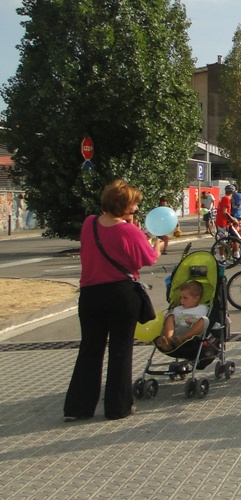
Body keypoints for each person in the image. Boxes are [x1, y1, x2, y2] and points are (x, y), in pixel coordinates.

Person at [64, 179, 166, 421]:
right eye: (134, 204)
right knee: (120, 350)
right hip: (121, 294)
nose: (137, 209)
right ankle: (118, 407)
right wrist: (158, 245)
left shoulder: (89, 224)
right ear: (124, 205)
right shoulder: (129, 231)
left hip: (90, 295)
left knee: (90, 349)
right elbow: (147, 258)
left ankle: (78, 408)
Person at [155, 281, 208, 352]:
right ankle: (168, 339)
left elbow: (206, 323)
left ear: (196, 298)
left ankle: (182, 338)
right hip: (177, 331)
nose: (181, 300)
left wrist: (195, 321)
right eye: (180, 297)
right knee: (170, 316)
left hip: (193, 333)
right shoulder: (178, 309)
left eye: (185, 298)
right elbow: (171, 322)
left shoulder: (203, 308)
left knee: (204, 320)